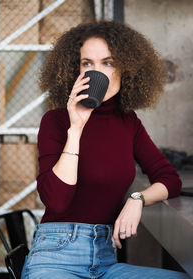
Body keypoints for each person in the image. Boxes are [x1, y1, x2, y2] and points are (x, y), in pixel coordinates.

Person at [21, 21, 189, 279]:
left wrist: (138, 199)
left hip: (106, 259)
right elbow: (56, 201)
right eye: (87, 63)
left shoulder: (128, 122)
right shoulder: (55, 121)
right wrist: (75, 128)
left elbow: (169, 179)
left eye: (108, 63)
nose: (95, 72)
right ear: (74, 70)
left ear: (126, 69)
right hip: (56, 256)